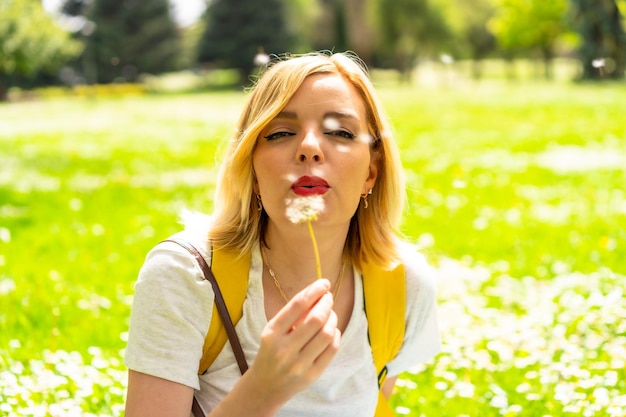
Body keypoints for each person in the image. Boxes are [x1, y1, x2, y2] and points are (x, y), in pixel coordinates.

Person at [124, 51, 440, 417]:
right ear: (253, 169)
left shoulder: (401, 287)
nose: (308, 147)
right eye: (281, 133)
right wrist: (262, 390)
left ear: (371, 172)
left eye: (340, 132)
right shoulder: (187, 276)